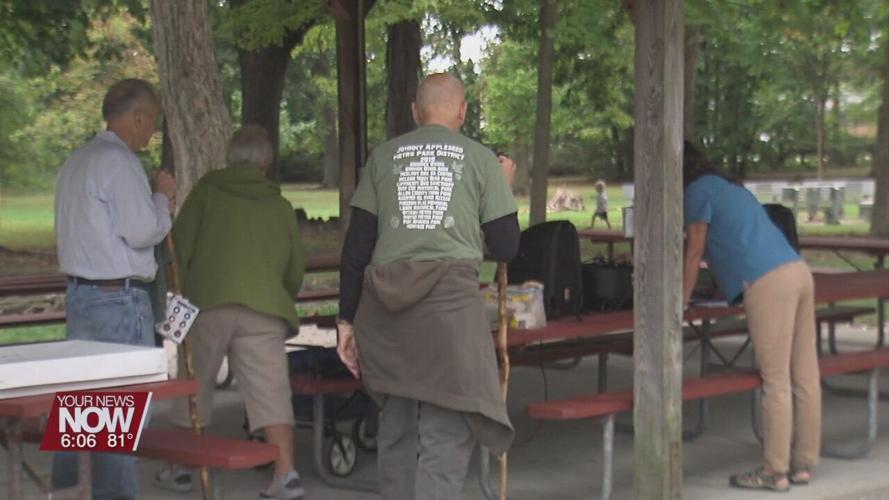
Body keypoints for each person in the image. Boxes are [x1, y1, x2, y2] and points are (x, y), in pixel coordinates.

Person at [337, 73, 519, 500]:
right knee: (445, 436)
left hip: (385, 314)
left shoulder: (382, 158)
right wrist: (503, 188)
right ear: (463, 111)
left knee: (396, 430)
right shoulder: (479, 160)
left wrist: (346, 321)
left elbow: (356, 248)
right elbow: (507, 245)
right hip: (449, 316)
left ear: (416, 113)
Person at [154, 126, 306, 500]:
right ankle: (285, 474)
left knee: (195, 384)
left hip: (207, 303)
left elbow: (179, 247)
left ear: (228, 157)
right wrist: (278, 295)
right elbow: (295, 266)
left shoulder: (207, 192)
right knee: (271, 392)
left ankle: (184, 467)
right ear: (266, 162)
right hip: (264, 308)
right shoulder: (280, 206)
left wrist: (184, 289)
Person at [53, 78, 175, 499]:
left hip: (81, 295)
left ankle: (70, 491)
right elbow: (142, 231)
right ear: (138, 116)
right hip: (118, 297)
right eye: (152, 121)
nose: (153, 131)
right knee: (119, 414)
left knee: (82, 409)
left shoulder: (76, 160)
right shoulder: (120, 162)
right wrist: (162, 198)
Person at [681, 141, 820, 492]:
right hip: (797, 271)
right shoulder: (728, 187)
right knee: (805, 373)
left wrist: (679, 302)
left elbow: (694, 249)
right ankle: (804, 463)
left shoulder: (695, 191)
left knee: (775, 379)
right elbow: (733, 241)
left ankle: (775, 471)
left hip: (767, 282)